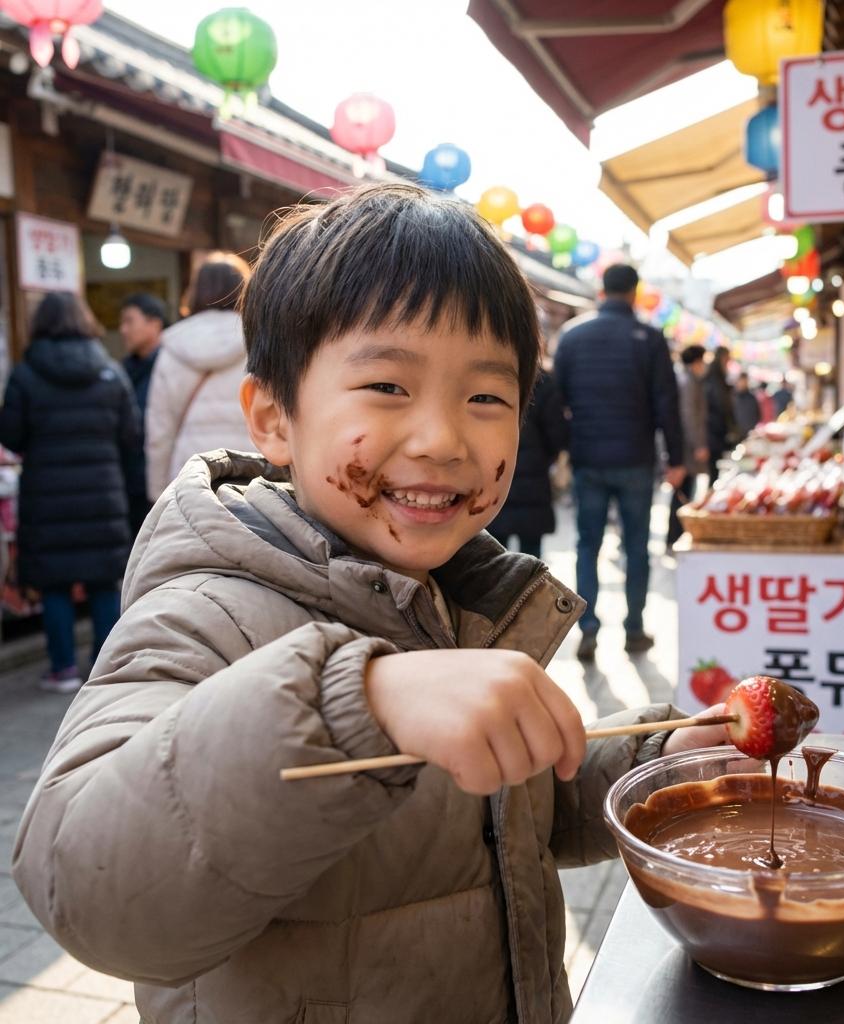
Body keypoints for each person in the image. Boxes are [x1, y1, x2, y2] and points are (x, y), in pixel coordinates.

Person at [12, 184, 727, 1024]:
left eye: (487, 397)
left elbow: (511, 804)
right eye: (388, 386)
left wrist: (665, 762)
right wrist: (357, 703)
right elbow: (86, 888)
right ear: (275, 419)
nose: (442, 438)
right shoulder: (207, 610)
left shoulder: (455, 595)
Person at [0, 292, 139, 693]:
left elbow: (11, 434)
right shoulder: (109, 371)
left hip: (47, 496)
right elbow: (130, 436)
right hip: (102, 494)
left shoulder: (26, 374)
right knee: (102, 582)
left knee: (54, 584)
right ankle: (105, 667)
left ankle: (62, 669)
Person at [554, 264, 684, 660]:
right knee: (637, 547)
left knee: (586, 545)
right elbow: (666, 403)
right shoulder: (648, 337)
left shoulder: (573, 336)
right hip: (635, 460)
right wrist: (676, 458)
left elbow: (555, 400)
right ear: (634, 292)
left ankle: (588, 627)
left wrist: (567, 446)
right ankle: (634, 628)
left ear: (601, 289)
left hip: (588, 458)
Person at [145, 252, 253, 501]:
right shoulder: (260, 340)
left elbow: (160, 430)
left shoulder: (173, 346)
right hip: (253, 471)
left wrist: (157, 492)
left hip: (191, 474)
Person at [487, 364, 568, 558]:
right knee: (531, 558)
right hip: (534, 480)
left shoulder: (489, 377)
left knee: (493, 557)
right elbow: (557, 433)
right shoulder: (543, 382)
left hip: (496, 475)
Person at [119, 292, 169, 536]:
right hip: (131, 479)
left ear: (155, 323)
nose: (123, 330)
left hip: (163, 482)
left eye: (130, 321)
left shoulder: (171, 366)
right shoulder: (123, 370)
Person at [666, 344, 708, 550]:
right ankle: (676, 534)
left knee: (681, 492)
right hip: (686, 448)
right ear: (697, 361)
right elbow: (690, 417)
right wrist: (699, 444)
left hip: (682, 445)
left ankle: (675, 534)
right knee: (682, 492)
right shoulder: (689, 382)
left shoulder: (683, 379)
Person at [702, 344, 736, 486]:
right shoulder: (715, 378)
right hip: (713, 431)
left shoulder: (716, 377)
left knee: (715, 472)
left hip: (715, 431)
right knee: (713, 473)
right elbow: (720, 405)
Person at [732, 371, 761, 439]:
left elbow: (757, 414)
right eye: (742, 381)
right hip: (736, 434)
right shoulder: (732, 397)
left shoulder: (752, 398)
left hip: (749, 433)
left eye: (745, 381)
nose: (743, 383)